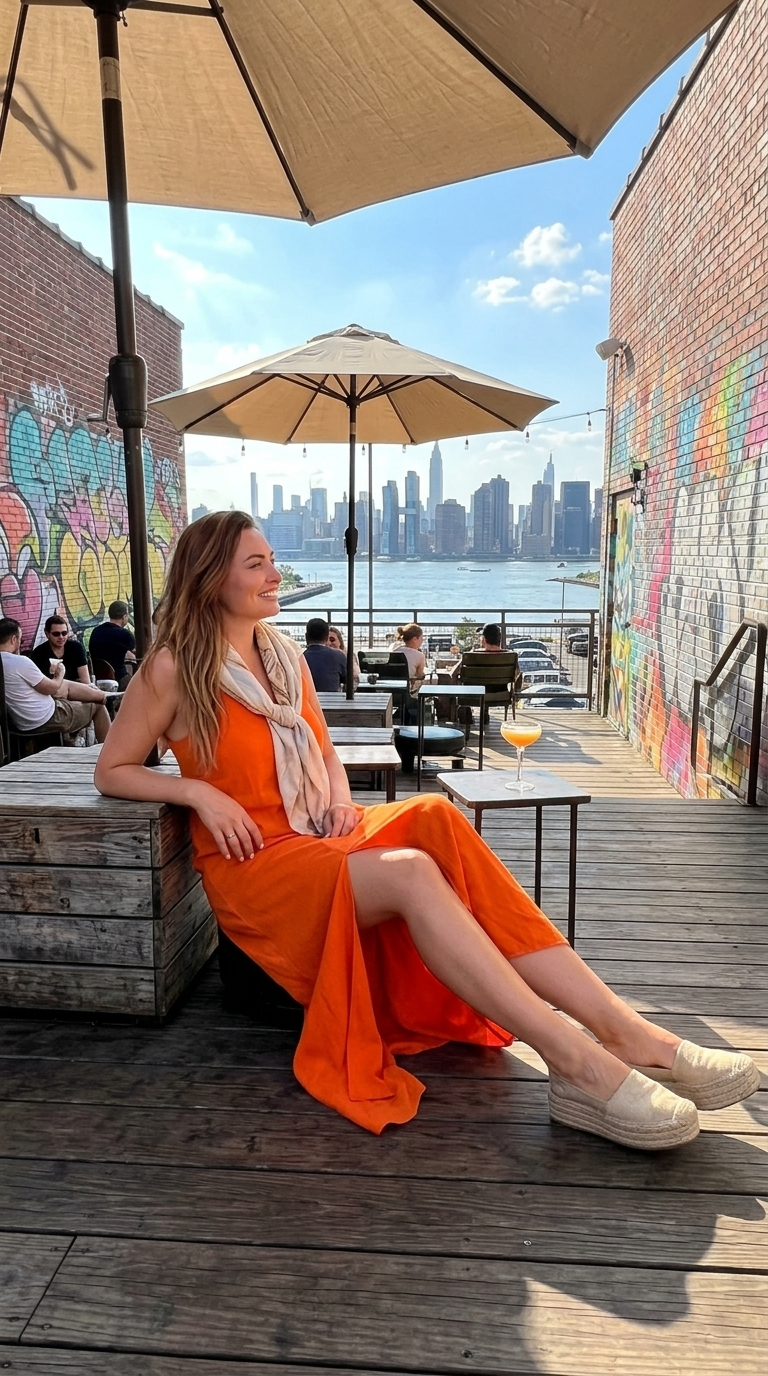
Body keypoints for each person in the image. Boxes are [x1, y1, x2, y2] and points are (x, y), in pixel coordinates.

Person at [94, 512, 758, 1146]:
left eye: (273, 560)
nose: (276, 574)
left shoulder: (283, 656)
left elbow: (323, 752)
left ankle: (627, 1033)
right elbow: (114, 770)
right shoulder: (174, 668)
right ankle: (577, 1065)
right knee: (411, 872)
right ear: (213, 577)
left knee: (435, 814)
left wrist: (333, 798)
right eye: (258, 563)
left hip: (316, 835)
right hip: (258, 869)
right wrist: (196, 790)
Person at [0, 617, 111, 744]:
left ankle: (103, 696)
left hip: (22, 722)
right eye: (21, 639)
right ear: (13, 639)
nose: (20, 642)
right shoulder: (21, 661)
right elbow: (51, 688)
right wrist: (60, 673)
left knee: (66, 687)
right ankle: (111, 754)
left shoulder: (8, 662)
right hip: (47, 717)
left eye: (64, 633)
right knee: (97, 706)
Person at [28, 615, 90, 683]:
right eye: (56, 634)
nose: (61, 637)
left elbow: (86, 680)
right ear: (47, 634)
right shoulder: (38, 653)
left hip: (75, 690)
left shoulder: (76, 647)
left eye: (64, 633)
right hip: (50, 691)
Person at [88, 601, 136, 687]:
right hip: (119, 678)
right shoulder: (125, 634)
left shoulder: (96, 631)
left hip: (98, 679)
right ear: (124, 616)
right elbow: (138, 655)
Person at [302, 618, 347, 693]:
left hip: (307, 703)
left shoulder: (299, 658)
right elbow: (348, 681)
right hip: (333, 702)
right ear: (326, 638)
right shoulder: (339, 656)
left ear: (306, 637)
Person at [390, 622, 427, 694]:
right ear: (414, 639)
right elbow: (419, 676)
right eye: (421, 638)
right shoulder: (419, 655)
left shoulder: (395, 651)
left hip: (393, 687)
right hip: (408, 689)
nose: (422, 641)